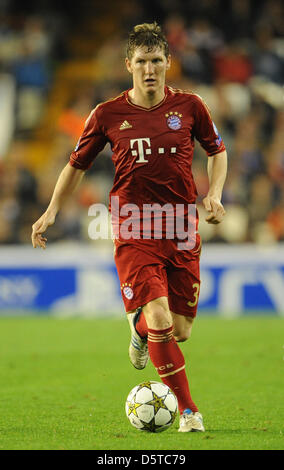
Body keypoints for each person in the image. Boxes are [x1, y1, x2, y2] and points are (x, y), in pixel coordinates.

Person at [31, 22, 227, 433]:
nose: (150, 69)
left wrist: (215, 194)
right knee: (160, 319)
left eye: (157, 61)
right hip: (133, 227)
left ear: (168, 63)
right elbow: (76, 166)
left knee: (179, 329)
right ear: (128, 65)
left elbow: (217, 152)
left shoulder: (191, 106)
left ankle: (138, 332)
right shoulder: (107, 114)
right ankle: (189, 412)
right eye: (142, 62)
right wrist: (51, 210)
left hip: (182, 231)